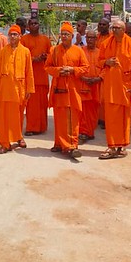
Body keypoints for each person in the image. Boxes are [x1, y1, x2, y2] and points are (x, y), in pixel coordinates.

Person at [98, 17, 131, 159]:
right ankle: (111, 146)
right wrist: (107, 61)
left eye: (117, 28)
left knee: (124, 119)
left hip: (126, 87)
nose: (114, 30)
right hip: (111, 86)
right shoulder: (105, 44)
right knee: (111, 119)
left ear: (124, 30)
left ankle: (122, 146)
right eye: (113, 28)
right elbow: (99, 62)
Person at [45, 22, 89, 159]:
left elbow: (85, 68)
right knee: (59, 118)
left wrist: (72, 70)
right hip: (59, 90)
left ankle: (72, 146)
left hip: (73, 91)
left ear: (72, 36)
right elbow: (47, 67)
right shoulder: (54, 50)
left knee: (72, 119)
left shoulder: (78, 50)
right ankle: (59, 143)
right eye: (62, 34)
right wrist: (58, 71)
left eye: (67, 34)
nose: (64, 36)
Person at [0, 25, 35, 154]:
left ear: (20, 36)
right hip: (5, 90)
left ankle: (18, 138)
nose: (12, 37)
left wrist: (29, 89)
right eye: (10, 34)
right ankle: (4, 143)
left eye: (15, 34)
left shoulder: (25, 52)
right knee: (5, 118)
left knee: (18, 117)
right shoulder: (3, 51)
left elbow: (29, 71)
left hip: (20, 90)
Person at [21, 16, 52, 135]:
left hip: (42, 77)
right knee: (31, 105)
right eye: (32, 24)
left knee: (42, 104)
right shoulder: (24, 40)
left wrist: (45, 57)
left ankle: (42, 127)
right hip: (30, 76)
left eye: (36, 23)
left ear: (39, 25)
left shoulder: (45, 39)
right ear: (28, 26)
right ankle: (31, 128)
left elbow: (52, 56)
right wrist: (34, 59)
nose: (34, 25)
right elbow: (21, 56)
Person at [79, 30, 101, 142]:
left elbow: (105, 69)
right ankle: (83, 132)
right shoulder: (81, 51)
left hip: (96, 86)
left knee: (93, 110)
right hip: (83, 84)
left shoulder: (101, 53)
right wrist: (83, 78)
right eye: (88, 38)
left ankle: (90, 131)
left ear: (96, 39)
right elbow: (76, 67)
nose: (90, 40)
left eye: (92, 38)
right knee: (83, 109)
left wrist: (98, 78)